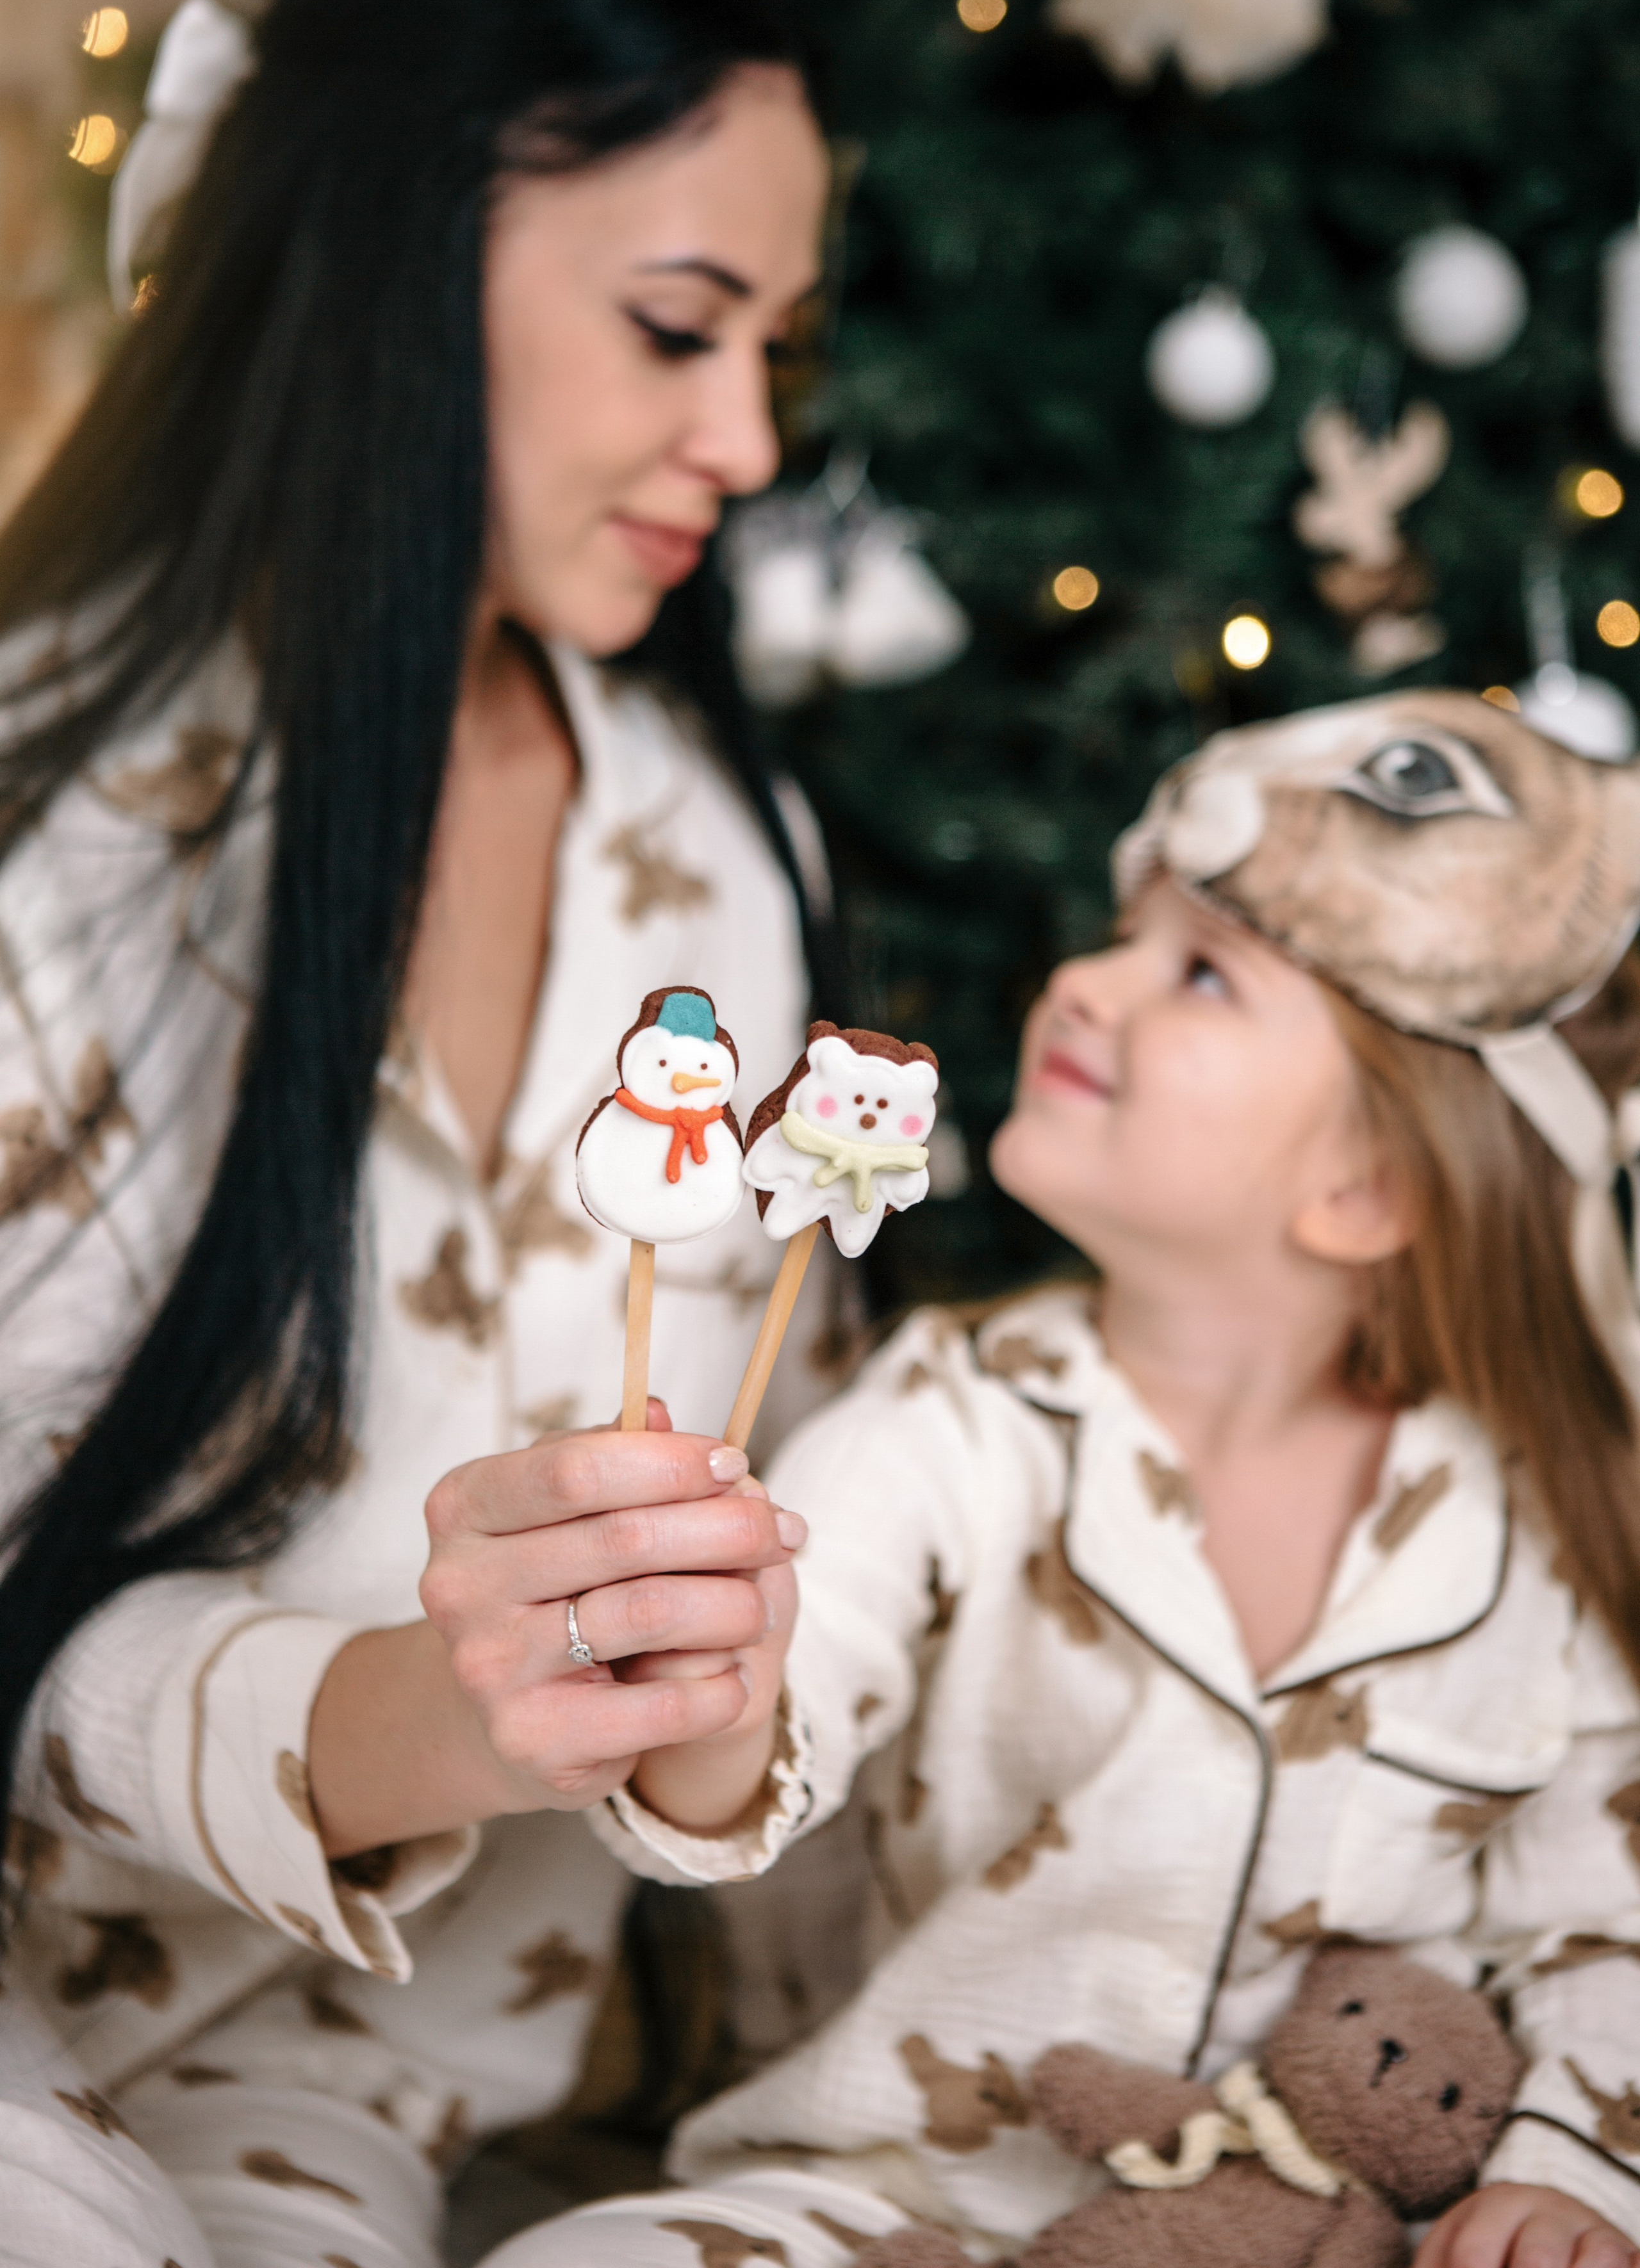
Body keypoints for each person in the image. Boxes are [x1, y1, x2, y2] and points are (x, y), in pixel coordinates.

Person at [0, 0, 834, 2268]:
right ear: (390, 271)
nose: (753, 438)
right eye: (681, 327)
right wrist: (422, 1713)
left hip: (359, 2077)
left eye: (780, 340)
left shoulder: (719, 846)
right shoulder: (58, 839)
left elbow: (805, 1509)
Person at [504, 691, 1640, 2268]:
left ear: (1367, 1183)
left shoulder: (1526, 1533)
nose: (1082, 983)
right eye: (1119, 932)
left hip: (1328, 2236)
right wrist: (709, 1681)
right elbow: (767, 1733)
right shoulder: (958, 1420)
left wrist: (1570, 2177)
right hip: (901, 2205)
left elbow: (1601, 1922)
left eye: (1197, 973)